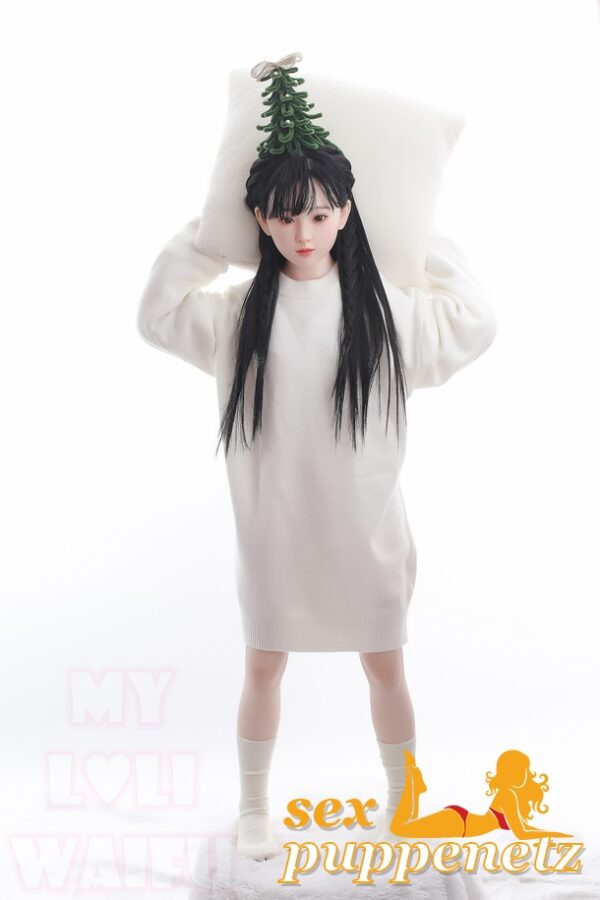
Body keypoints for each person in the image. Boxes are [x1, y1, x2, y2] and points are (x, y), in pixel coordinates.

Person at [136, 53, 497, 861]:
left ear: (345, 214)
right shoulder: (238, 320)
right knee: (263, 669)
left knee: (386, 670)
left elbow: (475, 321)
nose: (303, 233)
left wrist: (418, 235)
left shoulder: (390, 314)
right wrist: (208, 237)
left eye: (320, 213)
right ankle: (253, 809)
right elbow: (157, 313)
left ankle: (404, 802)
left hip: (368, 539)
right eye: (282, 216)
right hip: (277, 537)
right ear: (260, 222)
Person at [387, 748, 573, 840]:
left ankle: (416, 788)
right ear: (514, 772)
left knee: (407, 826)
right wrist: (554, 834)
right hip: (460, 824)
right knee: (399, 829)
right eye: (524, 770)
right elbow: (522, 833)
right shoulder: (507, 795)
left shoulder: (509, 795)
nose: (527, 774)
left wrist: (549, 833)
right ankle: (412, 782)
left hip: (461, 821)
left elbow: (525, 828)